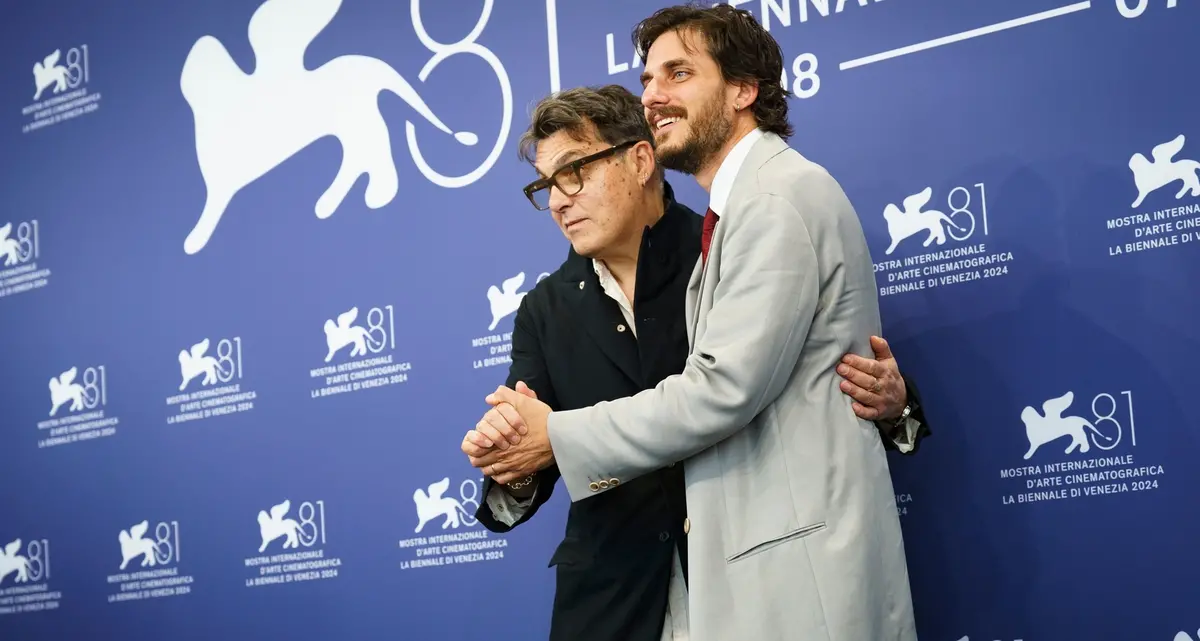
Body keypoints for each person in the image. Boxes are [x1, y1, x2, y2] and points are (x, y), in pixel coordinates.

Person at [464, 4, 920, 641]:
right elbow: (533, 446)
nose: (653, 96)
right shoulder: (547, 307)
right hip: (623, 601)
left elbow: (726, 389)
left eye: (677, 75)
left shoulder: (759, 208)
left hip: (769, 572)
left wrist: (558, 435)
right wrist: (514, 453)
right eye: (547, 185)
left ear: (741, 88)